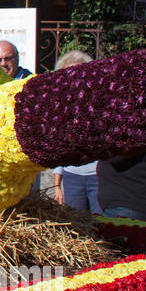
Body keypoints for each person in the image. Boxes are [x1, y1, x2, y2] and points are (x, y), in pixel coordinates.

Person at [50, 51, 101, 214]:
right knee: (77, 226)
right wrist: (57, 185)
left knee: (102, 224)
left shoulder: (99, 103)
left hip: (97, 176)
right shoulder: (61, 107)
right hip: (72, 177)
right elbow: (59, 148)